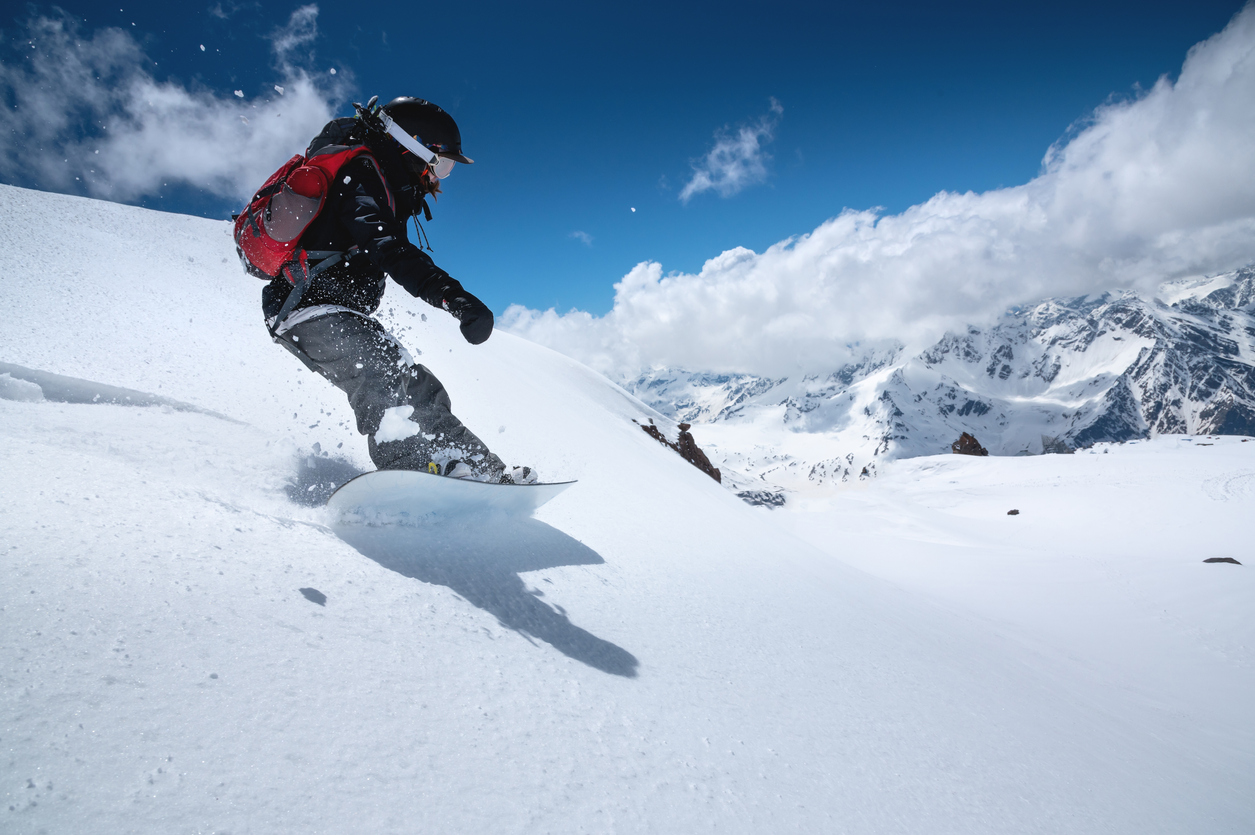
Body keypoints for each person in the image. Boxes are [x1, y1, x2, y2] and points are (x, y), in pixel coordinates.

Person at [261, 96, 535, 483]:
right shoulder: (359, 176)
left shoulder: (382, 184)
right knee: (380, 380)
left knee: (418, 386)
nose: (440, 178)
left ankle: (483, 472)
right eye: (441, 164)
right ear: (413, 146)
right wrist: (454, 298)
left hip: (336, 310)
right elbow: (388, 249)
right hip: (304, 306)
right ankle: (411, 474)